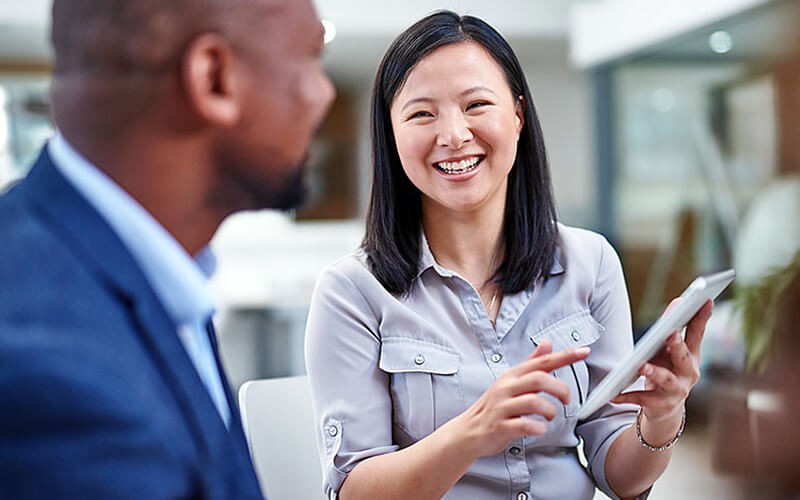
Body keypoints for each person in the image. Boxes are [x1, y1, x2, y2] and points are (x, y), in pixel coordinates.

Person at [304, 11, 712, 500]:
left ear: (517, 115)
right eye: (422, 113)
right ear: (390, 133)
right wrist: (472, 431)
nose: (453, 134)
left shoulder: (591, 262)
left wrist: (662, 414)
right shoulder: (352, 292)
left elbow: (620, 476)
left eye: (476, 104)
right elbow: (354, 491)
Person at [0, 0, 334, 497]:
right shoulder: (57, 377)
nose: (323, 95)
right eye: (309, 58)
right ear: (214, 78)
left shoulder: (128, 271)